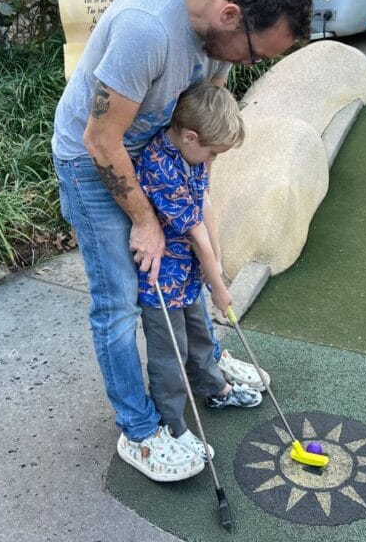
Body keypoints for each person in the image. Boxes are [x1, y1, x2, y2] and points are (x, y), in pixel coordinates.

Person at [52, 0, 313, 481]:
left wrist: (194, 194)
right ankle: (141, 430)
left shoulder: (218, 39)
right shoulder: (146, 31)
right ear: (231, 15)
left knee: (182, 271)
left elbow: (198, 113)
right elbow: (100, 140)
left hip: (153, 154)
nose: (245, 66)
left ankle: (205, 366)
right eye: (256, 54)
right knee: (119, 304)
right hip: (93, 162)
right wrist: (146, 222)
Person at [135, 82, 262, 465]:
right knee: (170, 354)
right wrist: (219, 287)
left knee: (201, 333)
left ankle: (214, 388)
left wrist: (216, 269)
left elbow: (205, 206)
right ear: (191, 137)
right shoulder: (160, 167)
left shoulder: (194, 157)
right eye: (212, 152)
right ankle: (172, 425)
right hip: (162, 279)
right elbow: (194, 234)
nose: (213, 160)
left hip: (187, 273)